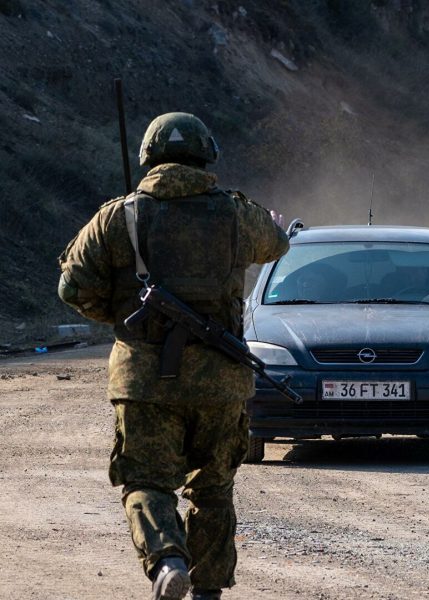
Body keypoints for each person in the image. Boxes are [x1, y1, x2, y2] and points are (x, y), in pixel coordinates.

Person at [57, 112, 290, 600]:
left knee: (146, 481)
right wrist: (266, 224)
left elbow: (72, 287)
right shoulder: (236, 214)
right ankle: (207, 592)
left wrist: (126, 318)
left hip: (144, 382)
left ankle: (166, 561)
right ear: (206, 156)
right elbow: (278, 242)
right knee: (213, 489)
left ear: (148, 158)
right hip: (220, 382)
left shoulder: (118, 216)